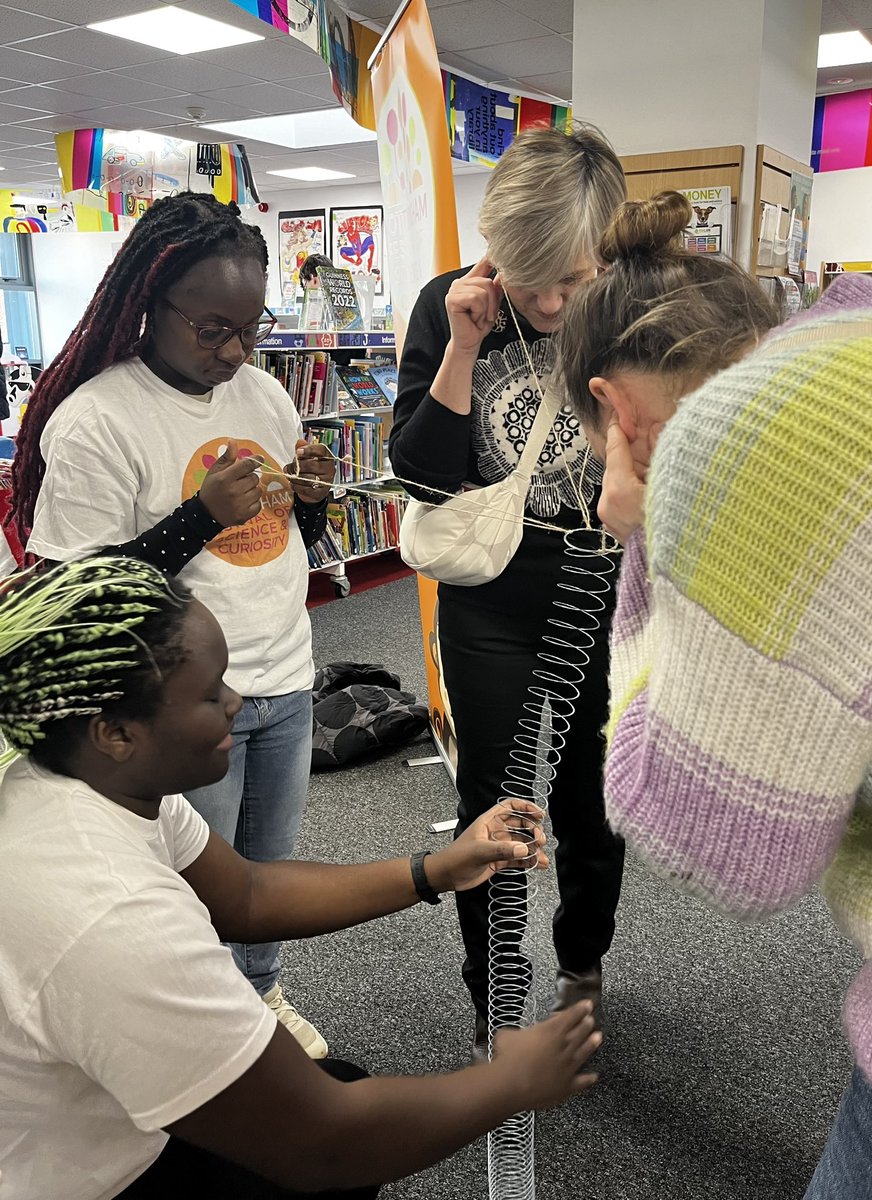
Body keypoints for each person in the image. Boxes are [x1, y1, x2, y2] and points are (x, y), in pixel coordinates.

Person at [0, 555, 601, 1200]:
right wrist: (512, 1084)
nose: (236, 702)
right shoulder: (110, 913)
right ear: (115, 732)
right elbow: (325, 1143)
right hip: (77, 1178)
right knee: (333, 1139)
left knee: (336, 1081)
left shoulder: (94, 776)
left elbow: (248, 895)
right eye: (210, 695)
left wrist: (438, 869)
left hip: (101, 1112)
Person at [561, 191, 872, 1198]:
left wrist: (640, 542)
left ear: (616, 414)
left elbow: (709, 838)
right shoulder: (844, 349)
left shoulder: (727, 458)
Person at [11, 192, 336, 1057]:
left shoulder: (266, 396)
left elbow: (284, 545)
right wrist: (196, 516)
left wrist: (310, 504)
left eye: (249, 328)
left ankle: (259, 1002)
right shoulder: (98, 420)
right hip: (177, 703)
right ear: (150, 307)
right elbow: (78, 596)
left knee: (266, 876)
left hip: (286, 675)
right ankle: (199, 1031)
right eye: (210, 330)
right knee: (195, 889)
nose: (233, 352)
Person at [390, 123, 628, 1053]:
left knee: (591, 802)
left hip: (602, 583)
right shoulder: (448, 303)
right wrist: (461, 346)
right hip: (490, 585)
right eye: (533, 277)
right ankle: (494, 1001)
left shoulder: (624, 308)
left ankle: (582, 962)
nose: (552, 300)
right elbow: (422, 475)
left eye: (573, 279)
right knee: (495, 804)